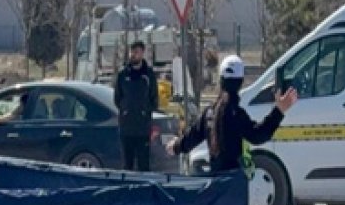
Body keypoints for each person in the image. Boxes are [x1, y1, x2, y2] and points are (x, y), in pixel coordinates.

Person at [166, 55, 297, 174]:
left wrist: (176, 146)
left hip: (216, 184)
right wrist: (279, 111)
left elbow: (192, 137)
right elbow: (258, 135)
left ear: (221, 81)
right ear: (240, 83)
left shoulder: (209, 113)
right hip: (234, 184)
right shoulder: (237, 114)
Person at [114, 40, 158, 172]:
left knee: (144, 165)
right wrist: (125, 110)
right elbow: (117, 98)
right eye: (132, 52)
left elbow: (154, 99)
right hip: (126, 128)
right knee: (127, 166)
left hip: (142, 129)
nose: (134, 55)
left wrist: (145, 112)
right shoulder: (123, 75)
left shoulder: (149, 75)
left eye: (137, 52)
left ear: (142, 53)